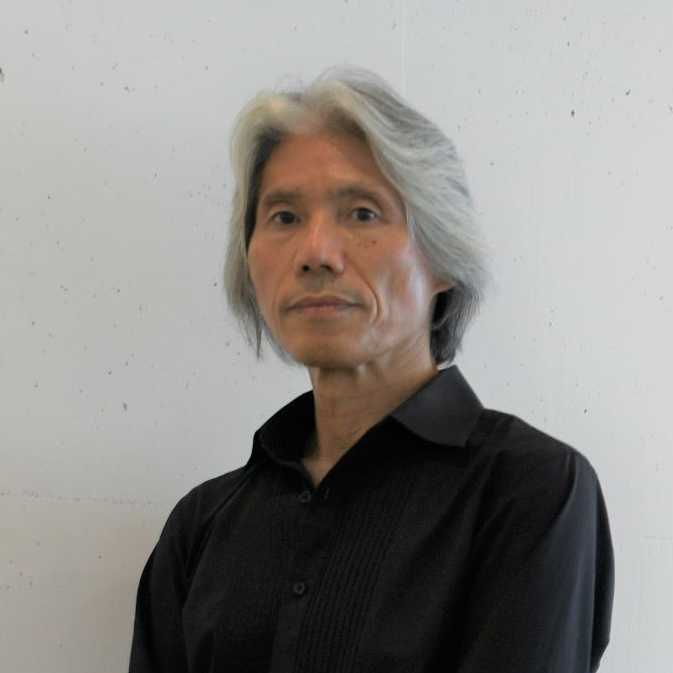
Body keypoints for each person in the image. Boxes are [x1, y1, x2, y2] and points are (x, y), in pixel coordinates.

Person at [128, 65, 614, 673]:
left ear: (444, 257)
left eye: (361, 213)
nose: (315, 253)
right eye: (283, 217)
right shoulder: (202, 526)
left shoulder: (529, 490)